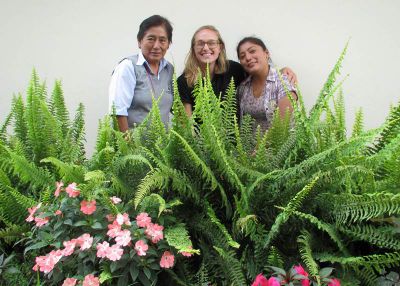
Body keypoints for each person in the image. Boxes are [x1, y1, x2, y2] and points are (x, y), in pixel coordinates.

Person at [177, 25, 297, 117]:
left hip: (238, 147)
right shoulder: (184, 81)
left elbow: (260, 72)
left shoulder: (234, 70)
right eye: (200, 43)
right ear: (193, 49)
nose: (206, 48)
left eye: (211, 43)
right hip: (202, 148)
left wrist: (282, 71)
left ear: (220, 47)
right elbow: (187, 127)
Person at [109, 15, 174, 132]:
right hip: (133, 146)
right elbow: (117, 112)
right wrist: (127, 145)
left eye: (162, 40)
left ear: (168, 44)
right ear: (139, 41)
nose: (156, 46)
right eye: (151, 39)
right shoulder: (128, 67)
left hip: (162, 148)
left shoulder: (169, 69)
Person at [236, 36, 297, 132]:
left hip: (279, 146)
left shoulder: (284, 80)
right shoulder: (243, 88)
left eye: (252, 51)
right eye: (242, 56)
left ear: (266, 53)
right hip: (247, 146)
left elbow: (281, 125)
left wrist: (260, 146)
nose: (248, 57)